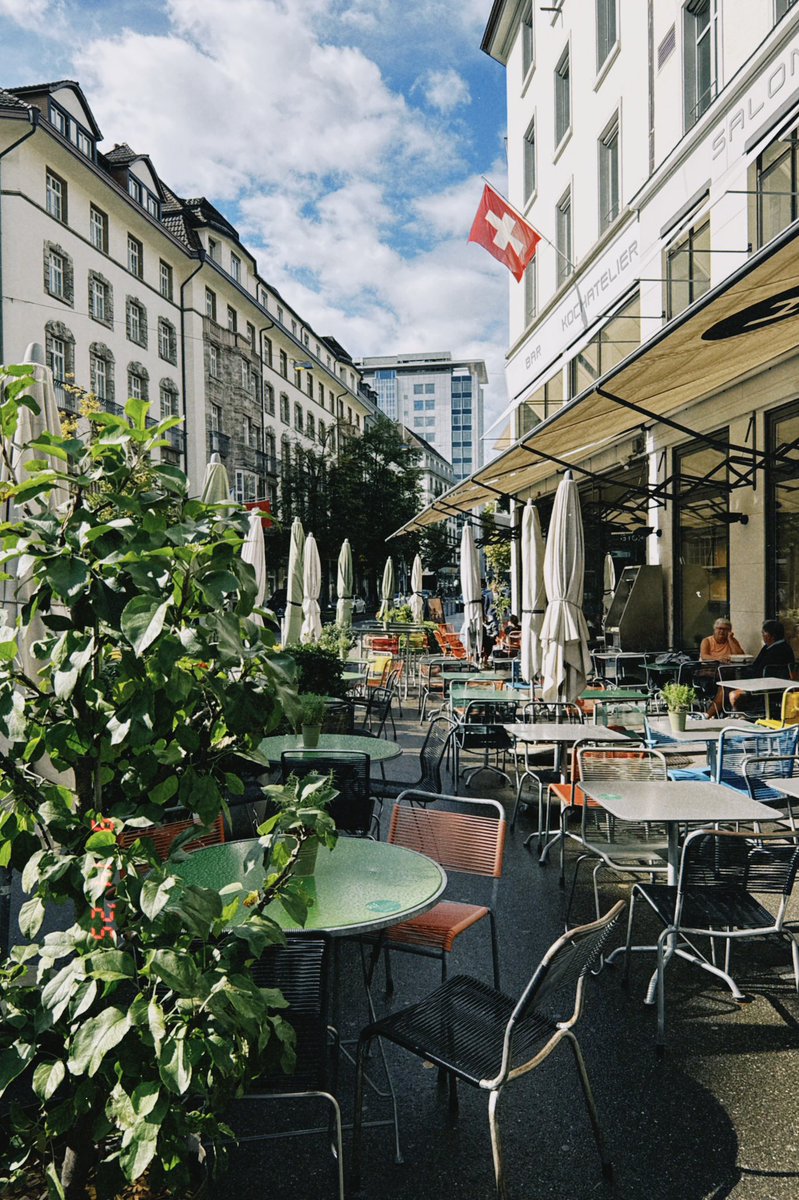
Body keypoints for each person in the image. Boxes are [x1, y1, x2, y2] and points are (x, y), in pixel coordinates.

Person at [706, 619, 794, 717]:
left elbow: (757, 671)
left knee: (726, 690)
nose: (763, 636)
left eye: (763, 633)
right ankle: (713, 715)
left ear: (769, 636)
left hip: (763, 689)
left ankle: (710, 716)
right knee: (725, 688)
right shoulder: (784, 648)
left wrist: (739, 678)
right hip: (776, 688)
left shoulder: (773, 651)